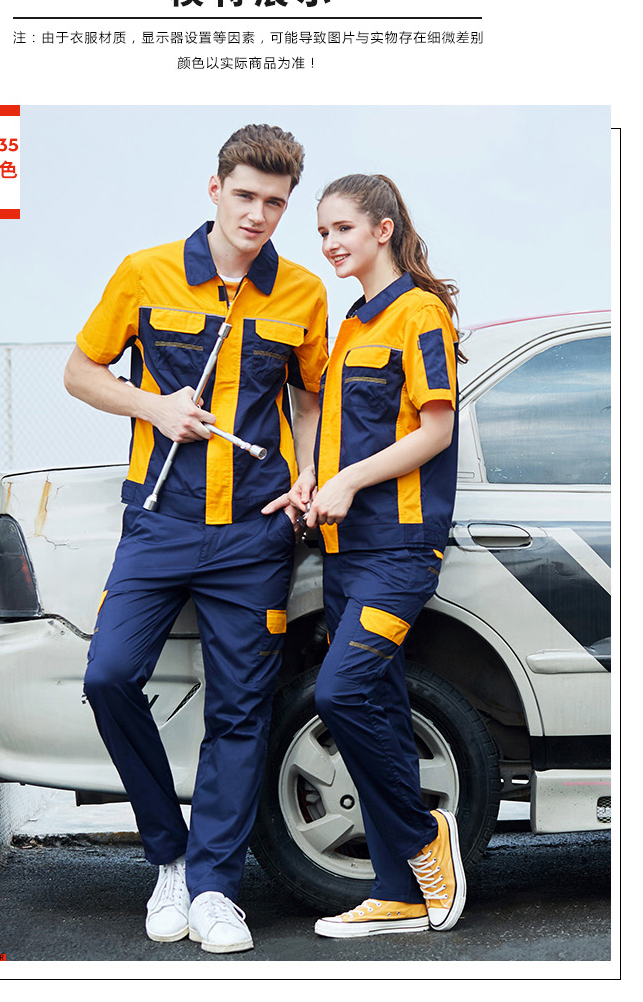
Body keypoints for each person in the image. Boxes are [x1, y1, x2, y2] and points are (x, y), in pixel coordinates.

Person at [64, 124, 328, 954]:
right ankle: (169, 859)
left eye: (275, 203)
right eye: (245, 195)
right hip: (160, 522)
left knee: (240, 711)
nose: (257, 215)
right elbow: (80, 372)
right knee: (109, 676)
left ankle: (215, 888)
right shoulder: (144, 272)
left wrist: (307, 476)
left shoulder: (303, 294)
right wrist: (156, 406)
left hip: (255, 533)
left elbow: (310, 400)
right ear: (214, 189)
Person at [266, 173, 466, 937]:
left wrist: (348, 480)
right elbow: (335, 426)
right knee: (375, 704)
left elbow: (435, 430)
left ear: (384, 230)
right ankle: (398, 892)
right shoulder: (351, 322)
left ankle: (423, 837)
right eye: (321, 232)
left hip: (400, 550)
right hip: (346, 552)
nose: (329, 243)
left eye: (342, 228)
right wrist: (311, 479)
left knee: (342, 693)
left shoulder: (420, 312)